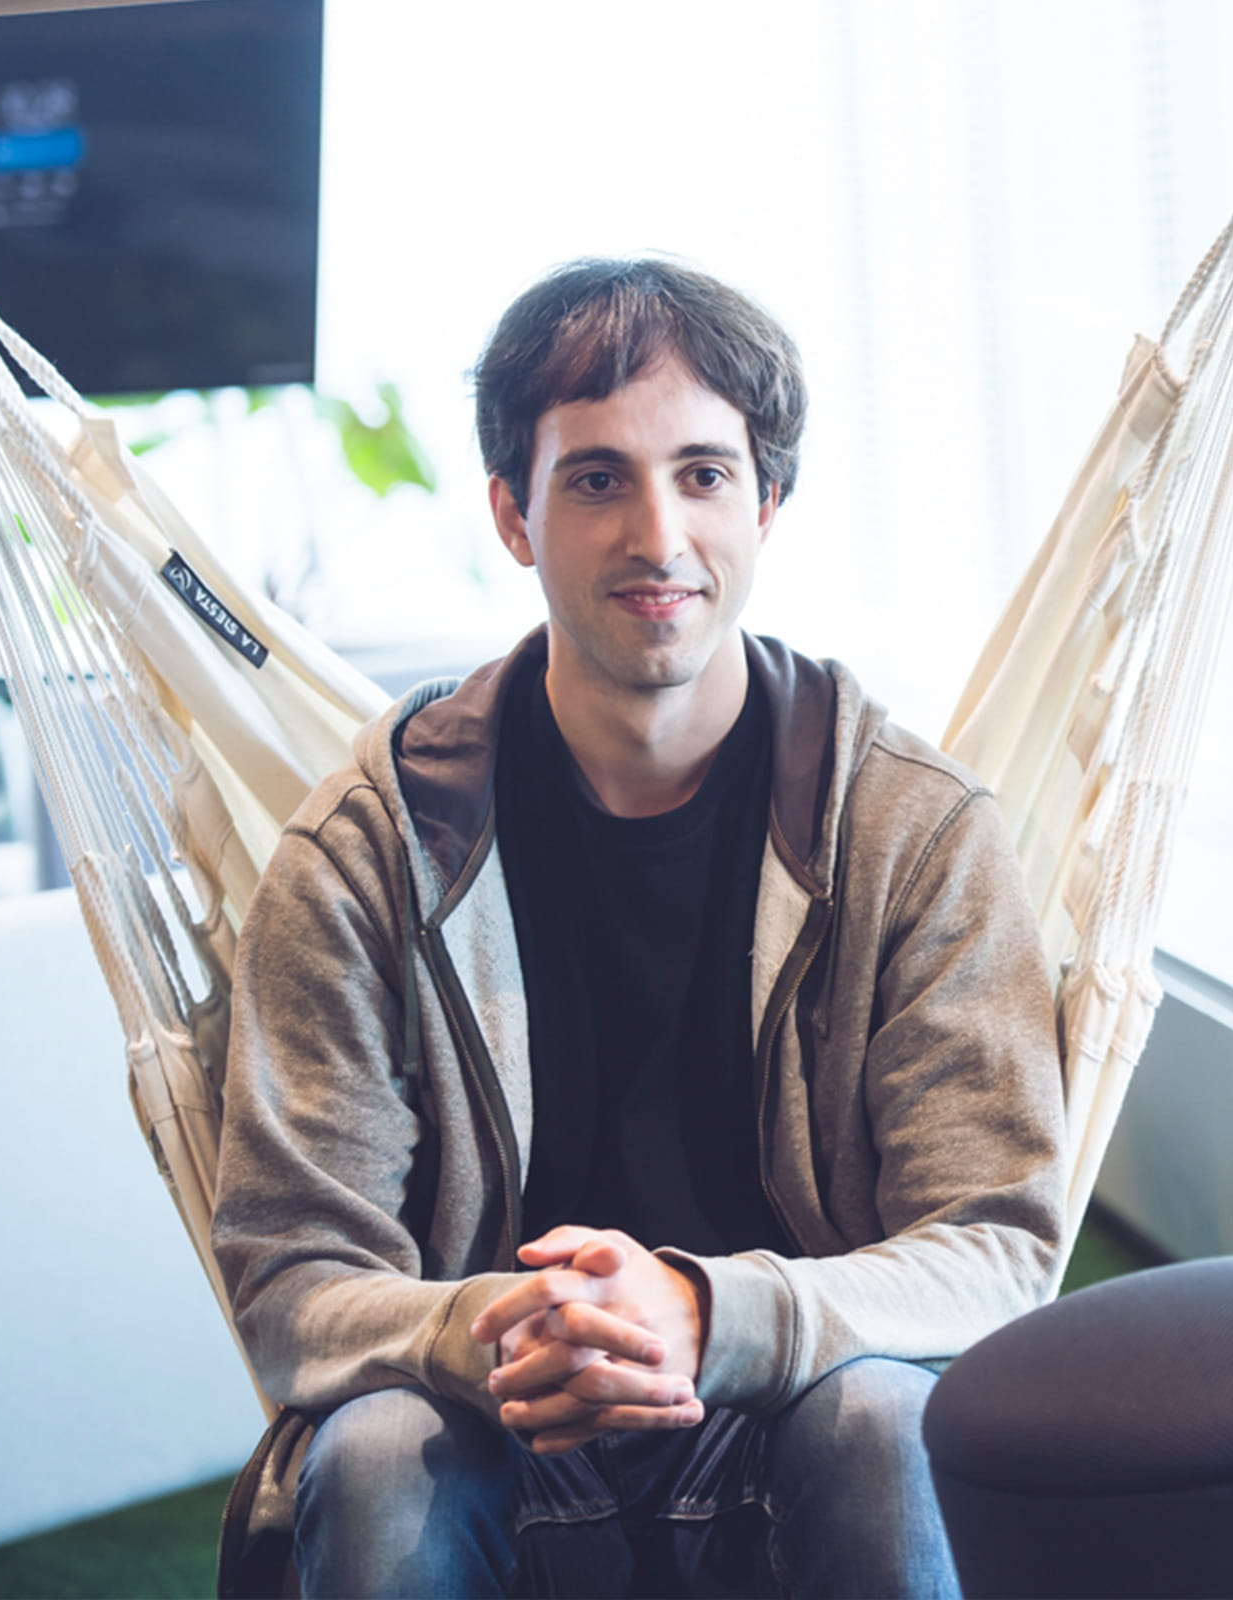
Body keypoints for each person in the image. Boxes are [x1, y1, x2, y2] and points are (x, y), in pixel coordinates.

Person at [210, 257, 1067, 1599]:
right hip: (495, 1406)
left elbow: (1000, 1248)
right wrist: (499, 1322)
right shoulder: (369, 852)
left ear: (768, 503)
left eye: (705, 474)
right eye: (597, 478)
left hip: (797, 1405)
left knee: (885, 1418)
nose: (658, 536)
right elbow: (292, 1275)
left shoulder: (915, 831)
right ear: (513, 514)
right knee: (377, 1456)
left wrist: (711, 1314)